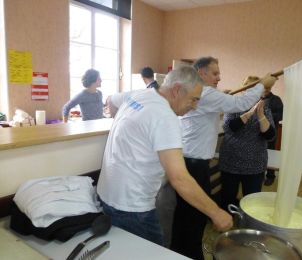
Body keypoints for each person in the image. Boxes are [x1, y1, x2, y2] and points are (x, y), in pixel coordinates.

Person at [96, 66, 233, 247]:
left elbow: (111, 100)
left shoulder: (140, 95)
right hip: (133, 209)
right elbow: (180, 178)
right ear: (176, 90)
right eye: (193, 99)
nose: (194, 106)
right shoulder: (165, 117)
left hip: (106, 195)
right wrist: (216, 212)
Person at [170, 56, 277, 260]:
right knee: (194, 215)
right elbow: (240, 103)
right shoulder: (206, 93)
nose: (219, 77)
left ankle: (181, 252)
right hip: (193, 164)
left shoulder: (205, 94)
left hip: (190, 160)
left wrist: (223, 98)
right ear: (201, 73)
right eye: (215, 73)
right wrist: (263, 84)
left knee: (186, 214)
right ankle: (189, 253)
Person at [219, 97, 276, 210]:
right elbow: (229, 127)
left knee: (252, 200)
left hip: (255, 164)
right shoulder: (233, 107)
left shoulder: (265, 110)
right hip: (230, 162)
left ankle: (248, 224)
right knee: (227, 197)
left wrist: (260, 116)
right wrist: (250, 113)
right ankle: (226, 221)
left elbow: (270, 136)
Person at [263, 90, 283, 186]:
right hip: (257, 132)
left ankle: (270, 176)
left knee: (270, 153)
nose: (264, 89)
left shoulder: (276, 100)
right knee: (258, 152)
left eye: (267, 87)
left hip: (271, 131)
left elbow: (281, 116)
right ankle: (259, 174)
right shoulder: (256, 98)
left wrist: (265, 114)